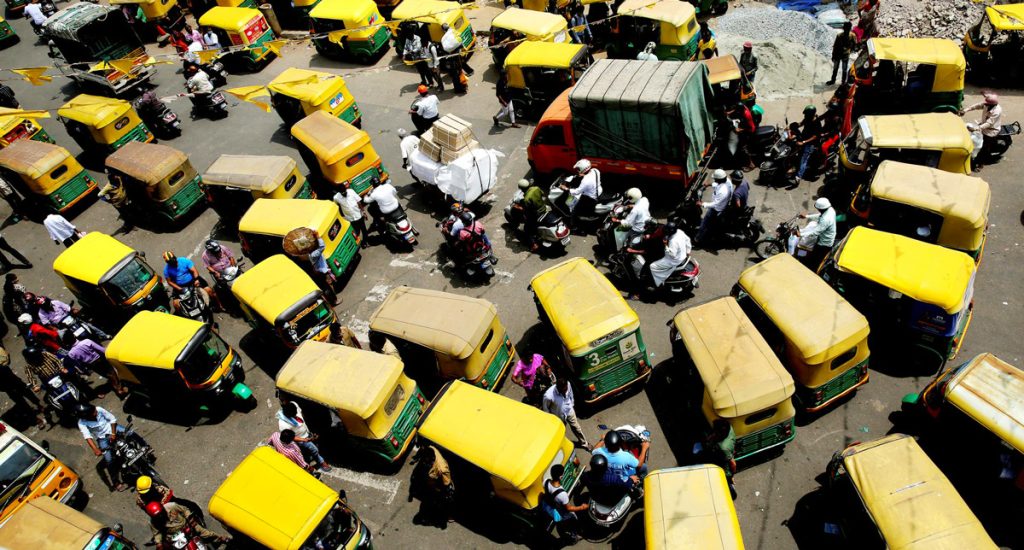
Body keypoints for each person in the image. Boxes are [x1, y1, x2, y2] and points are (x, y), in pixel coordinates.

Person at [77, 404, 132, 491]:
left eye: (95, 410)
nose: (96, 412)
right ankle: (115, 482)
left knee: (131, 433)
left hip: (112, 428)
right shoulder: (81, 423)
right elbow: (87, 436)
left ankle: (146, 447)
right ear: (87, 416)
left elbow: (112, 419)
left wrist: (113, 433)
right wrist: (95, 449)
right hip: (102, 438)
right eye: (93, 412)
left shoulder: (98, 409)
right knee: (109, 460)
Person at [146, 501, 230, 548]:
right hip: (174, 537)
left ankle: (220, 538)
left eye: (161, 513)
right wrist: (158, 543)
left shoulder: (172, 506)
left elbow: (185, 510)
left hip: (187, 526)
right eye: (157, 516)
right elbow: (157, 533)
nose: (160, 516)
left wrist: (190, 519)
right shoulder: (153, 522)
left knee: (205, 533)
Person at [0, 344, 47, 428]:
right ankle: (35, 419)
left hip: (13, 380)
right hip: (6, 387)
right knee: (21, 402)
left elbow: (7, 359)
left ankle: (39, 405)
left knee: (27, 392)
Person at [277, 402, 331, 471]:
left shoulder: (294, 404)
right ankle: (321, 463)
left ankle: (310, 458)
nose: (296, 415)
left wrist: (311, 427)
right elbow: (291, 437)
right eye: (293, 415)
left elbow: (302, 414)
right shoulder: (283, 424)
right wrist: (304, 440)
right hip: (301, 439)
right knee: (314, 450)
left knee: (310, 450)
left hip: (308, 433)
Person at [542, 464, 588, 544]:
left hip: (549, 507)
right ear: (560, 477)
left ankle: (562, 530)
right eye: (563, 474)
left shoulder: (545, 481)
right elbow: (569, 508)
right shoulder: (562, 495)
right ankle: (573, 537)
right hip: (561, 513)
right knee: (573, 521)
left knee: (561, 524)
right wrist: (582, 507)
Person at [644, 222, 691, 295]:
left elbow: (672, 254)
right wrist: (688, 251)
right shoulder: (680, 232)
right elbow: (687, 239)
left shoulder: (673, 241)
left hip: (673, 260)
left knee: (652, 266)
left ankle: (658, 283)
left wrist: (665, 245)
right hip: (683, 255)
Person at [543, 378, 589, 449]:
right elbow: (546, 409)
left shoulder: (568, 384)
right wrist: (551, 420)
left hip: (569, 410)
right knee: (560, 432)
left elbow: (571, 394)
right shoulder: (548, 396)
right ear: (558, 388)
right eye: (563, 391)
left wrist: (572, 404)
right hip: (558, 416)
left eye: (566, 389)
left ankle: (584, 443)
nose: (565, 392)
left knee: (577, 428)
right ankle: (562, 446)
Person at [962, 91, 1003, 169]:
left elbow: (989, 123)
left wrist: (975, 129)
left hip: (991, 131)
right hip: (983, 127)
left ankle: (980, 164)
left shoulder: (997, 111)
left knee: (983, 148)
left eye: (986, 103)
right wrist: (965, 110)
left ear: (992, 104)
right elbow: (976, 106)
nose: (984, 104)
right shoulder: (987, 105)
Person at [696, 169, 734, 246]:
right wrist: (709, 184)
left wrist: (703, 204)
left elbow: (715, 204)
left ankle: (698, 239)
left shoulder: (723, 191)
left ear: (719, 179)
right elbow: (717, 185)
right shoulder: (727, 181)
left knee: (704, 224)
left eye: (715, 179)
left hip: (716, 209)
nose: (714, 180)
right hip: (722, 205)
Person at [561, 159, 601, 230]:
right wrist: (584, 175)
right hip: (598, 191)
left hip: (590, 198)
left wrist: (566, 188)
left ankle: (573, 226)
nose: (577, 170)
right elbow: (591, 179)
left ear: (583, 168)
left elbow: (577, 191)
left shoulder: (586, 181)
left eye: (578, 169)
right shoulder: (595, 170)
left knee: (574, 209)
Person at [798, 197, 836, 269]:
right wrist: (807, 216)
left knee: (815, 258)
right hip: (825, 237)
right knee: (813, 253)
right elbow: (819, 216)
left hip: (824, 243)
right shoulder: (830, 210)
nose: (818, 209)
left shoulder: (825, 220)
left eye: (818, 208)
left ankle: (809, 267)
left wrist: (800, 234)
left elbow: (815, 232)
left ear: (821, 209)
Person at [705, 419, 737, 498]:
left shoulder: (723, 448)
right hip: (725, 454)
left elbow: (733, 464)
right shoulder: (729, 428)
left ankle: (730, 486)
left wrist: (732, 474)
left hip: (724, 465)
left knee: (727, 477)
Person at [307, 230, 339, 306]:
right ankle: (334, 301)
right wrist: (318, 236)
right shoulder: (313, 254)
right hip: (322, 272)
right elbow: (322, 246)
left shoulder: (311, 253)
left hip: (321, 270)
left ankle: (333, 299)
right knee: (327, 287)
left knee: (328, 286)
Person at [514, 179, 548, 252]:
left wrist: (518, 207)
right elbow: (542, 194)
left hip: (536, 214)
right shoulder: (536, 188)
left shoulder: (526, 199)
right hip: (543, 208)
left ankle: (534, 245)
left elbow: (525, 209)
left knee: (527, 229)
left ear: (521, 188)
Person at [333, 182, 368, 248]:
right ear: (339, 192)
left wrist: (363, 212)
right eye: (342, 193)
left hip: (358, 215)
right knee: (355, 232)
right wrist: (341, 216)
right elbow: (336, 206)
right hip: (350, 218)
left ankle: (364, 242)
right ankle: (355, 244)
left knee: (364, 230)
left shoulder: (351, 192)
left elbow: (358, 202)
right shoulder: (336, 198)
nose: (344, 193)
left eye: (344, 191)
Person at [795, 105, 822, 180]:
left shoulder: (816, 122)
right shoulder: (807, 118)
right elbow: (801, 123)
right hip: (804, 137)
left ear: (810, 114)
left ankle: (799, 176)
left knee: (804, 158)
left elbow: (815, 137)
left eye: (806, 114)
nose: (805, 116)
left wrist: (803, 142)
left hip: (811, 143)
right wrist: (793, 126)